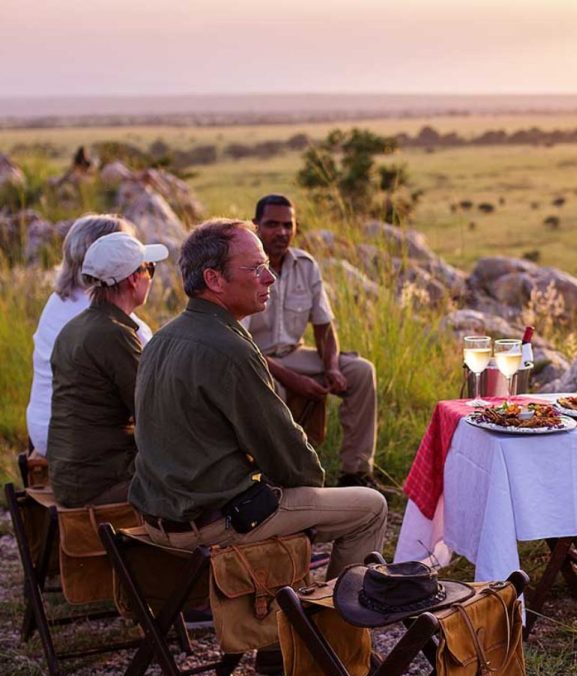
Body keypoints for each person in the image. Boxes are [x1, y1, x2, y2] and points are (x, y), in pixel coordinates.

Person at [128, 218, 387, 582]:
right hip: (213, 524)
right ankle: (335, 623)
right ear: (214, 280)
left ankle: (304, 605)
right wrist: (311, 483)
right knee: (370, 507)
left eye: (267, 266)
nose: (270, 278)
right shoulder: (230, 347)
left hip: (160, 518)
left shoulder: (161, 339)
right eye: (256, 268)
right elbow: (291, 461)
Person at [244, 194, 378, 488]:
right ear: (255, 226)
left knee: (361, 371)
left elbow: (324, 326)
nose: (281, 232)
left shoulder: (305, 265)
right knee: (273, 387)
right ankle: (280, 479)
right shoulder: (245, 268)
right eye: (272, 224)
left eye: (287, 225)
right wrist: (293, 379)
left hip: (294, 353)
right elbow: (240, 342)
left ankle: (355, 472)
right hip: (255, 359)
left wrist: (331, 366)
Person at [47, 233, 168, 508]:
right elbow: (154, 414)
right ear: (133, 279)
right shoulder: (114, 334)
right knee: (205, 483)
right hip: (102, 482)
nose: (151, 277)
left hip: (72, 477)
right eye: (150, 268)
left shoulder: (74, 327)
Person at [26, 215, 154, 457]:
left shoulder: (59, 301)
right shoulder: (106, 319)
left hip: (44, 427)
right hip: (78, 443)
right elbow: (150, 383)